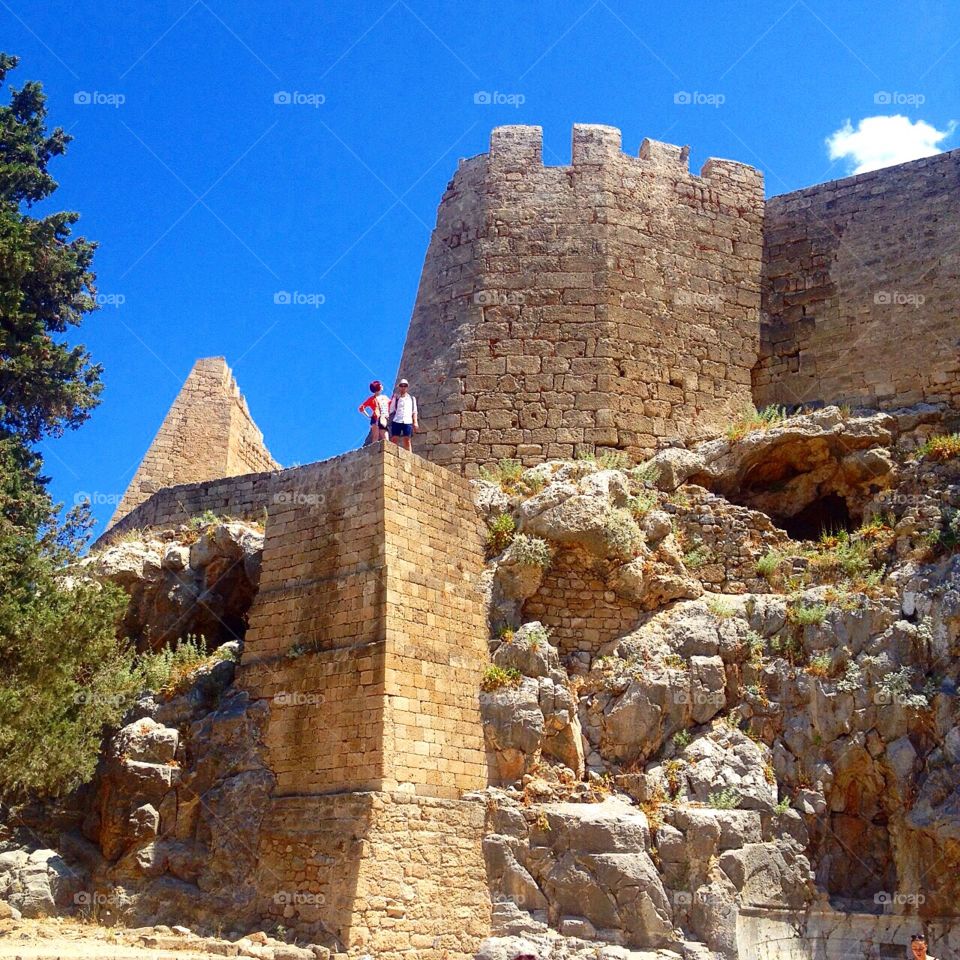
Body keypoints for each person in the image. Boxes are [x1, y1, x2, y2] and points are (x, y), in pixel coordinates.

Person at [388, 378, 419, 452]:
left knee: (407, 440)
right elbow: (391, 409)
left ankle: (410, 458)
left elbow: (414, 411)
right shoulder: (396, 398)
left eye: (405, 385)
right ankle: (392, 455)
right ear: (399, 387)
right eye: (401, 385)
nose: (403, 387)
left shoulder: (412, 398)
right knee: (394, 439)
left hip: (408, 421)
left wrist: (415, 422)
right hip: (397, 420)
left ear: (407, 387)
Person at [358, 380, 389, 444]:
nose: (382, 386)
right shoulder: (384, 398)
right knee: (379, 436)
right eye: (381, 385)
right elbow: (361, 408)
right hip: (377, 418)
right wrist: (368, 416)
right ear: (379, 387)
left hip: (379, 418)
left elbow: (361, 408)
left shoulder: (375, 398)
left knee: (379, 436)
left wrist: (368, 416)